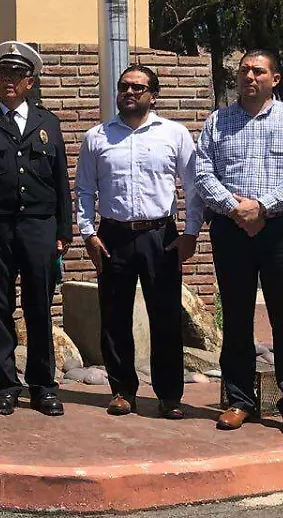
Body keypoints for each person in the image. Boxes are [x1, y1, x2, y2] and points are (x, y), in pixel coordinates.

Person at [194, 50, 283, 439]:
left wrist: (262, 207)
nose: (249, 76)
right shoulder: (219, 120)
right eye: (244, 70)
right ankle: (239, 399)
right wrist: (235, 209)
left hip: (282, 230)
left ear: (274, 79)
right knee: (236, 315)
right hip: (231, 230)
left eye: (258, 71)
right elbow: (203, 171)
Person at [75, 65, 203, 420]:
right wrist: (88, 233)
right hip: (113, 235)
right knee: (114, 316)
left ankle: (169, 395)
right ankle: (122, 390)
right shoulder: (97, 137)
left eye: (138, 87)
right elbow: (84, 189)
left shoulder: (174, 135)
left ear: (153, 94)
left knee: (164, 316)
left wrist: (191, 233)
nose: (129, 93)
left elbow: (192, 188)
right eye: (123, 87)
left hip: (159, 236)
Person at [0, 41, 73, 417]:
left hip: (39, 228)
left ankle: (43, 386)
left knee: (39, 306)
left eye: (17, 75)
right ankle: (5, 385)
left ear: (30, 82)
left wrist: (64, 231)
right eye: (3, 74)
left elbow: (60, 181)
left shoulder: (47, 123)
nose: (8, 81)